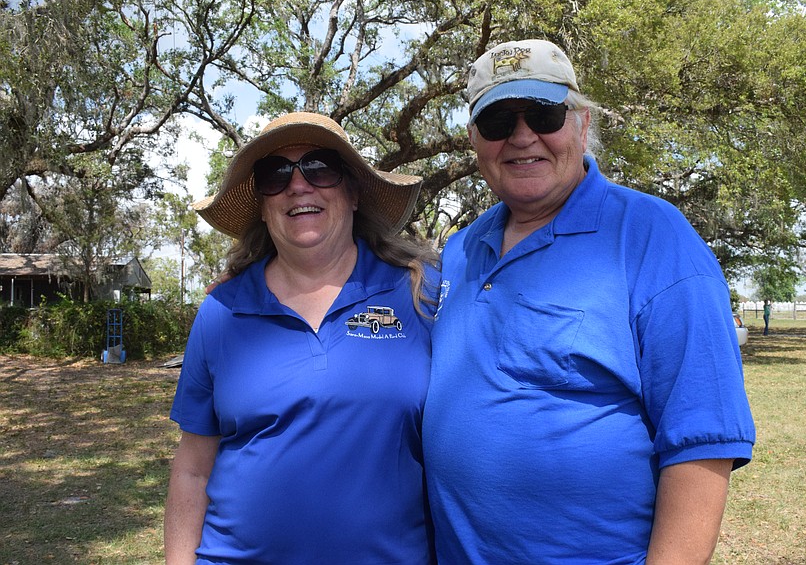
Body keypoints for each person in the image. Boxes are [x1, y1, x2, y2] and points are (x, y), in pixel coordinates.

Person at [422, 39, 756, 563]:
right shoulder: (462, 249)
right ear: (474, 140)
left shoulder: (653, 236)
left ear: (581, 123)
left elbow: (701, 443)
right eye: (498, 122)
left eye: (544, 113)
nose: (522, 136)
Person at [164, 112, 438, 564]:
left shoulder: (421, 295)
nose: (298, 186)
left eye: (319, 168)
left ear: (352, 192)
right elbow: (193, 470)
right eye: (275, 175)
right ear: (262, 203)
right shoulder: (222, 311)